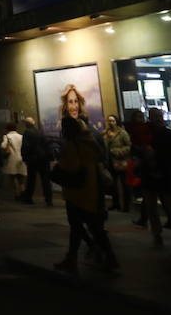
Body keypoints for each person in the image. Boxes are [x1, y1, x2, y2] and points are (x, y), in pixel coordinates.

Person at [52, 114, 119, 273]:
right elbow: (100, 159)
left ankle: (75, 258)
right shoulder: (90, 141)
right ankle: (107, 257)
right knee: (94, 227)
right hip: (93, 189)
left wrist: (58, 167)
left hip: (76, 192)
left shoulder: (72, 145)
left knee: (77, 227)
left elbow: (70, 167)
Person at [143, 108, 171, 251]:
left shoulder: (167, 134)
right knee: (154, 207)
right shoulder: (148, 136)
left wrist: (156, 156)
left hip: (163, 174)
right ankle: (159, 235)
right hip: (153, 175)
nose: (158, 119)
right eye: (155, 117)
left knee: (170, 206)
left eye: (159, 116)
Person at [123, 108, 152, 226]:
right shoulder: (136, 130)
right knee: (147, 193)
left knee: (148, 193)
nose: (141, 119)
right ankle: (144, 217)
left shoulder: (143, 129)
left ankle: (144, 218)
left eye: (142, 116)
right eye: (138, 117)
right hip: (144, 164)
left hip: (146, 164)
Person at [20, 117, 53, 207]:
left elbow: (25, 146)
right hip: (44, 159)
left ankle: (28, 197)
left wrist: (24, 158)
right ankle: (49, 199)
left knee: (31, 179)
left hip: (33, 159)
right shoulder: (40, 132)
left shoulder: (27, 133)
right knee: (45, 180)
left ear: (26, 125)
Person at [102, 114, 131, 212]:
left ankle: (126, 205)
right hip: (110, 161)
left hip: (120, 161)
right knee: (113, 184)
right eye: (109, 121)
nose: (111, 123)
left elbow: (128, 146)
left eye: (113, 121)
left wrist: (117, 151)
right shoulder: (106, 133)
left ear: (116, 122)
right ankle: (116, 204)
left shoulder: (122, 133)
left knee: (124, 184)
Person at [1, 122, 26, 200]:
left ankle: (17, 194)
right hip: (21, 158)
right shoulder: (21, 136)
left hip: (12, 158)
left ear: (7, 128)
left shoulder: (7, 136)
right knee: (21, 177)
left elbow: (3, 146)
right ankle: (23, 192)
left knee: (13, 177)